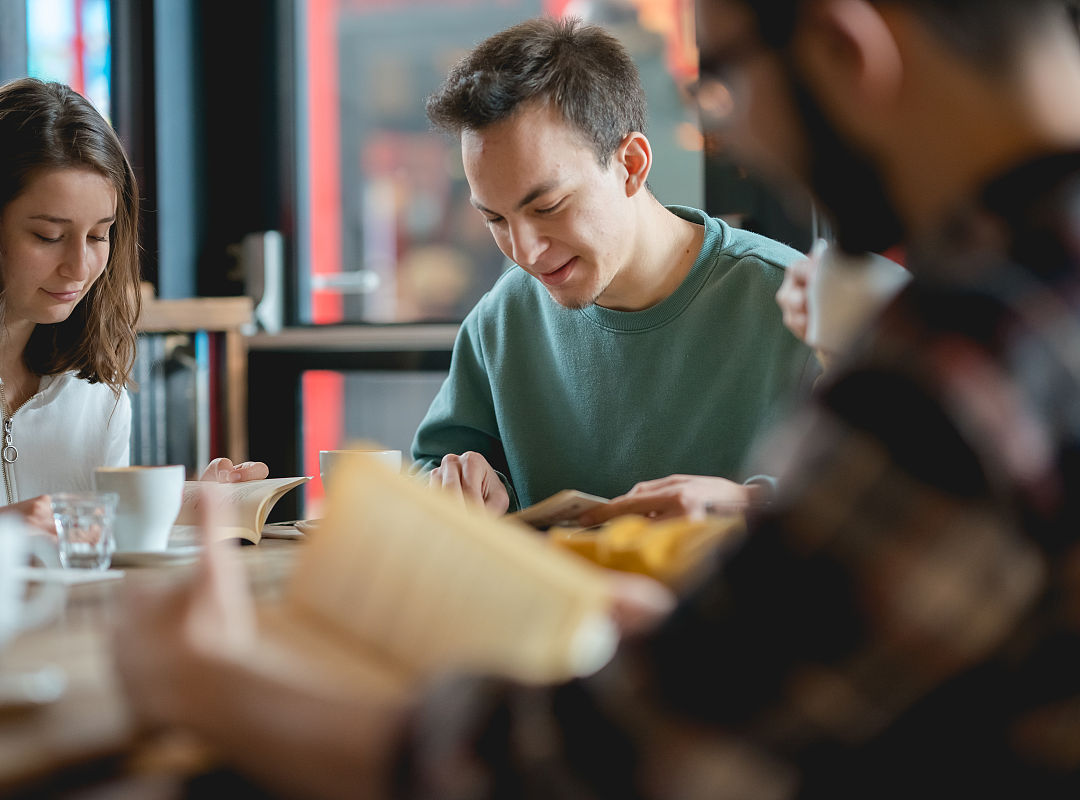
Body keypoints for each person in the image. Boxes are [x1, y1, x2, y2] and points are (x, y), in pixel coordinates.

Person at [114, 1, 1080, 797]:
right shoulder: (1011, 306)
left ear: (845, 47)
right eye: (496, 219)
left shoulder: (970, 346)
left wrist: (212, 685)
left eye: (722, 79)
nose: (730, 129)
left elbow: (624, 760)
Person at [410, 17, 818, 516]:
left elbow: (889, 501)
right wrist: (468, 486)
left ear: (631, 165)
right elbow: (429, 475)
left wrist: (747, 505)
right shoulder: (501, 321)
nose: (525, 251)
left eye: (548, 207)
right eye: (495, 218)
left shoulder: (796, 305)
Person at [0, 78, 264, 534]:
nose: (79, 268)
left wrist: (183, 511)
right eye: (48, 236)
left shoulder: (95, 388)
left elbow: (96, 544)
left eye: (99, 235)